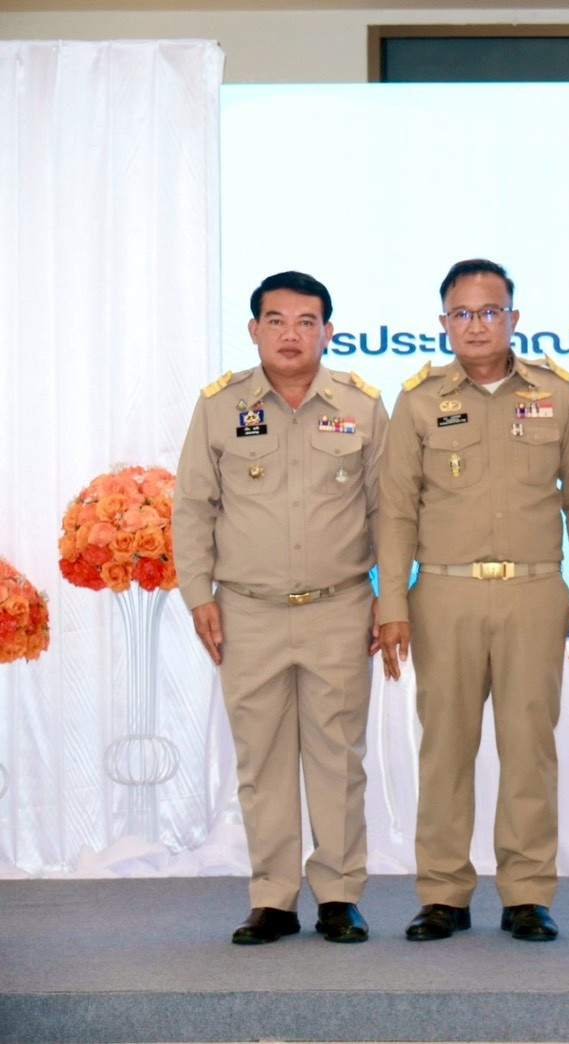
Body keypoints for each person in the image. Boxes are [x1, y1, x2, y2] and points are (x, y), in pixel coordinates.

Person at [377, 258, 569, 943]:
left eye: (490, 311)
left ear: (513, 319)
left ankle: (527, 893)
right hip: (445, 593)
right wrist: (392, 604)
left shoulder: (557, 396)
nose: (477, 325)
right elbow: (396, 511)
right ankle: (443, 893)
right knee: (445, 748)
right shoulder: (418, 401)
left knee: (530, 749)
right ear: (444, 323)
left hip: (534, 592)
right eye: (463, 313)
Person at [173, 270, 386, 945]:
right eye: (276, 321)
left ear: (328, 331)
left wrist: (392, 597)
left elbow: (388, 510)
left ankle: (339, 894)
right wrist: (198, 594)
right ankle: (273, 898)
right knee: (260, 761)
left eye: (305, 322)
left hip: (339, 607)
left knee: (338, 758)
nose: (290, 334)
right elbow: (193, 506)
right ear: (253, 330)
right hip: (248, 611)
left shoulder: (362, 405)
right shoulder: (220, 406)